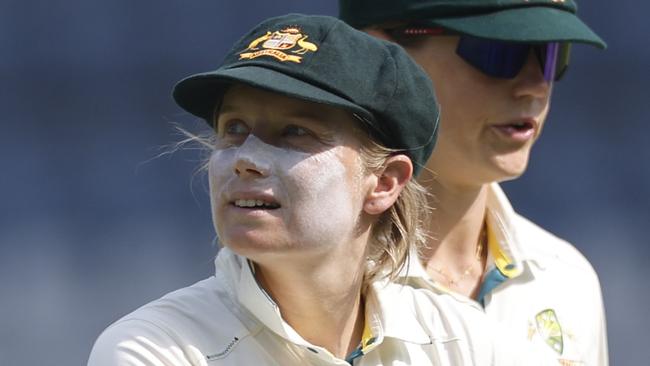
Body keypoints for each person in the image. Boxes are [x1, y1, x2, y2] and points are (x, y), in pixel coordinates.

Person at [88, 14, 557, 366]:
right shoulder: (152, 350)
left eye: (295, 132)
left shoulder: (465, 340)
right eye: (234, 128)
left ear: (385, 182)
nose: (246, 157)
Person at [339, 1, 608, 365]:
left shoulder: (566, 279)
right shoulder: (306, 281)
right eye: (498, 52)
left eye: (549, 56)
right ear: (379, 56)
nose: (534, 87)